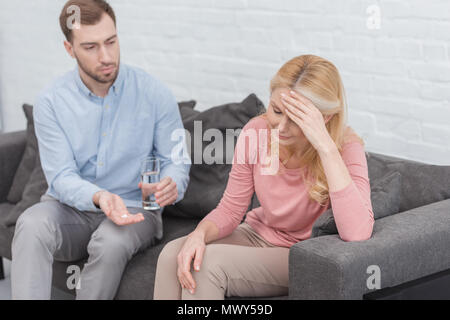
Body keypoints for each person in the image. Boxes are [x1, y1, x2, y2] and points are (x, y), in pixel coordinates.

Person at [153, 54, 374, 300]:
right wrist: (199, 234)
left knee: (205, 265)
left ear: (324, 118)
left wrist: (325, 147)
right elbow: (231, 209)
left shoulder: (344, 148)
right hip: (257, 234)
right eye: (277, 111)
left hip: (302, 253)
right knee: (174, 254)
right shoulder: (257, 131)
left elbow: (357, 232)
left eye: (297, 119)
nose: (281, 128)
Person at [11, 0, 190, 300]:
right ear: (70, 50)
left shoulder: (154, 93)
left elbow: (175, 160)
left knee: (111, 240)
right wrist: (99, 197)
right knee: (31, 224)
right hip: (72, 209)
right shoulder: (52, 102)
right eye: (91, 47)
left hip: (135, 209)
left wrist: (171, 184)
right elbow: (62, 176)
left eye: (111, 41)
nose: (106, 56)